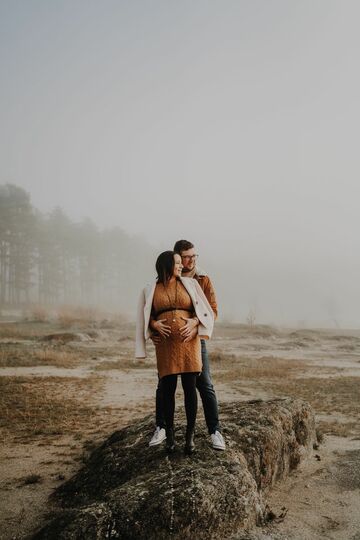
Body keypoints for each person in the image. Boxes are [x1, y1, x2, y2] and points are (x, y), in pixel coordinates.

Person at [149, 240, 226, 451]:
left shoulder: (201, 279)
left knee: (205, 384)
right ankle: (162, 427)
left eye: (194, 256)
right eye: (186, 257)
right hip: (167, 344)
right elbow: (149, 311)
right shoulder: (161, 283)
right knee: (164, 386)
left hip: (194, 339)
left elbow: (212, 311)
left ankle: (215, 430)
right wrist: (153, 329)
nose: (190, 261)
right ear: (176, 258)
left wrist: (194, 323)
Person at [136, 250, 214, 454]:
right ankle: (169, 436)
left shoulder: (191, 284)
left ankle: (190, 437)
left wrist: (196, 323)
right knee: (167, 389)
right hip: (165, 345)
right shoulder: (151, 288)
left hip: (190, 343)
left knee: (190, 388)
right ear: (166, 265)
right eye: (177, 262)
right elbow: (147, 315)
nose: (181, 265)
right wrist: (154, 325)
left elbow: (205, 310)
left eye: (181, 262)